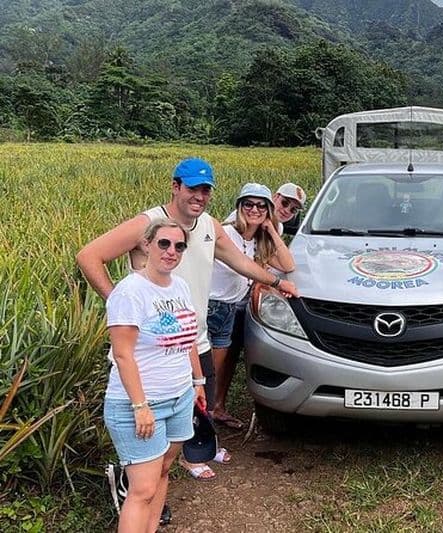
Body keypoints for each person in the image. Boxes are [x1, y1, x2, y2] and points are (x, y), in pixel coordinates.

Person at [78, 157, 299, 487]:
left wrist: (279, 283)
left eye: (205, 190)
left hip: (195, 344)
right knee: (147, 428)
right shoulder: (149, 223)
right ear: (175, 187)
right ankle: (133, 488)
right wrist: (120, 306)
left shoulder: (210, 226)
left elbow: (241, 263)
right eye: (192, 188)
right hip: (150, 353)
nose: (199, 196)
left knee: (186, 423)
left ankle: (154, 487)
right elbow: (89, 256)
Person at [102, 219, 204, 532]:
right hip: (141, 404)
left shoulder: (180, 286)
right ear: (147, 244)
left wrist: (198, 383)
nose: (171, 251)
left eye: (179, 246)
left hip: (179, 397)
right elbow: (122, 354)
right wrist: (140, 406)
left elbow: (188, 341)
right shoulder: (130, 292)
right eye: (164, 243)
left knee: (163, 470)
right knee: (142, 489)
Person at [209, 183, 295, 430]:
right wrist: (277, 283)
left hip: (238, 305)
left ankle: (216, 409)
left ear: (268, 209)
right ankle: (201, 420)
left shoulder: (262, 237)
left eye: (261, 206)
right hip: (215, 305)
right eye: (248, 204)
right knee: (209, 367)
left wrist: (271, 229)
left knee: (229, 359)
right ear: (239, 207)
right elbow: (243, 266)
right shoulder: (227, 233)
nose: (254, 210)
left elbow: (288, 264)